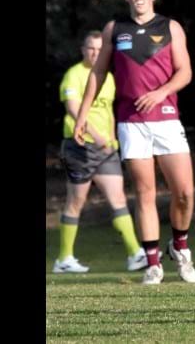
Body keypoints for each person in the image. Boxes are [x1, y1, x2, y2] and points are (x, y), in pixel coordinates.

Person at [75, 0, 195, 285]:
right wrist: (82, 115)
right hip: (132, 124)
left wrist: (160, 92)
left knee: (183, 193)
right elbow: (97, 74)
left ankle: (180, 246)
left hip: (167, 119)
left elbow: (185, 73)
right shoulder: (114, 29)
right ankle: (153, 264)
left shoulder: (170, 28)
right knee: (145, 193)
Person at [53, 31, 145, 274]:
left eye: (99, 49)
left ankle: (135, 253)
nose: (95, 53)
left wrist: (113, 136)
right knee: (76, 202)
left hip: (106, 149)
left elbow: (109, 110)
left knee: (118, 199)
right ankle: (64, 258)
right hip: (80, 146)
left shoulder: (109, 78)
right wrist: (97, 135)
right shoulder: (74, 75)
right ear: (83, 49)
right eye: (90, 48)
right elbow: (74, 109)